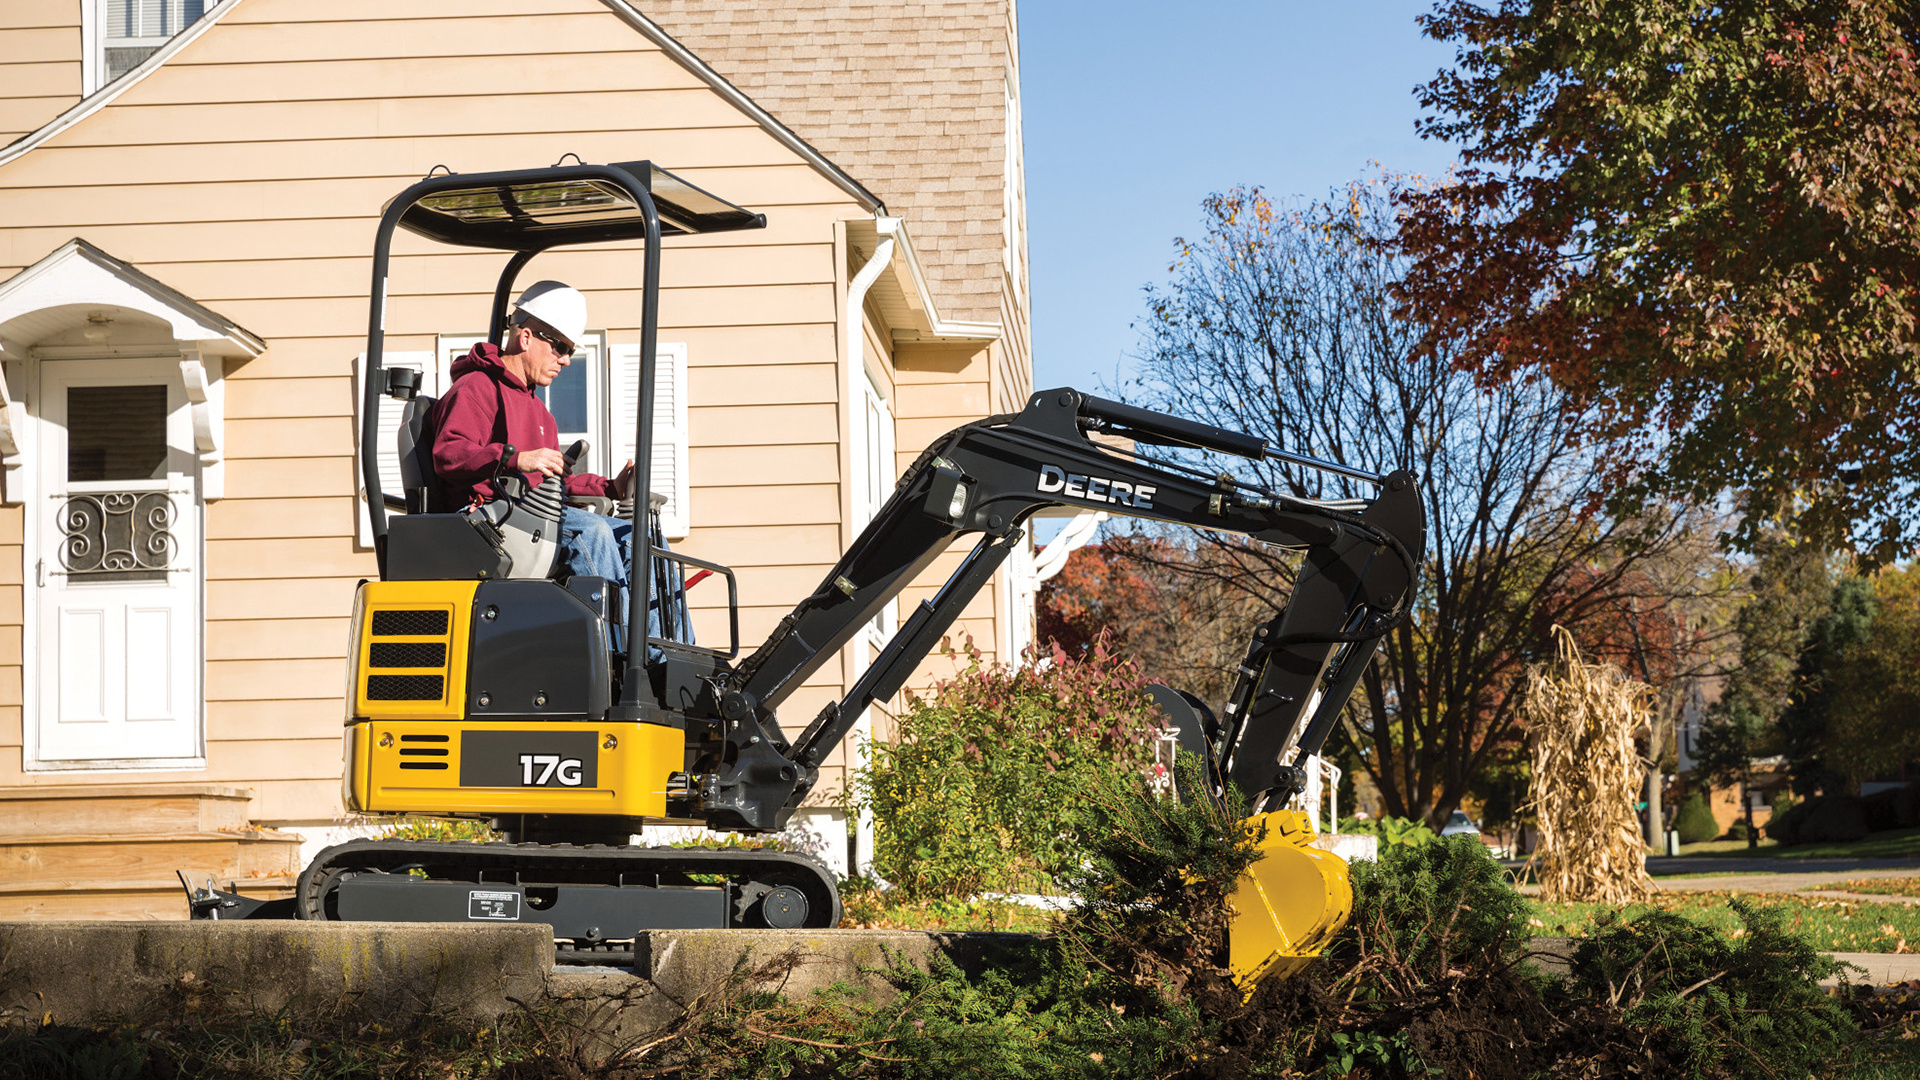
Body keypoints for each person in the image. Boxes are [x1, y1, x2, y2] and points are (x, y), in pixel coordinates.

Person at [427, 279, 636, 596]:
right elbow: (449, 454)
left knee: (635, 536)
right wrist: (516, 459)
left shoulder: (541, 414)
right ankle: (615, 644)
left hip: (530, 518)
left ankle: (664, 645)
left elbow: (553, 485)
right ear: (525, 337)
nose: (566, 360)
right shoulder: (476, 388)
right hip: (484, 522)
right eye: (561, 348)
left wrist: (611, 487)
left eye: (570, 351)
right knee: (591, 532)